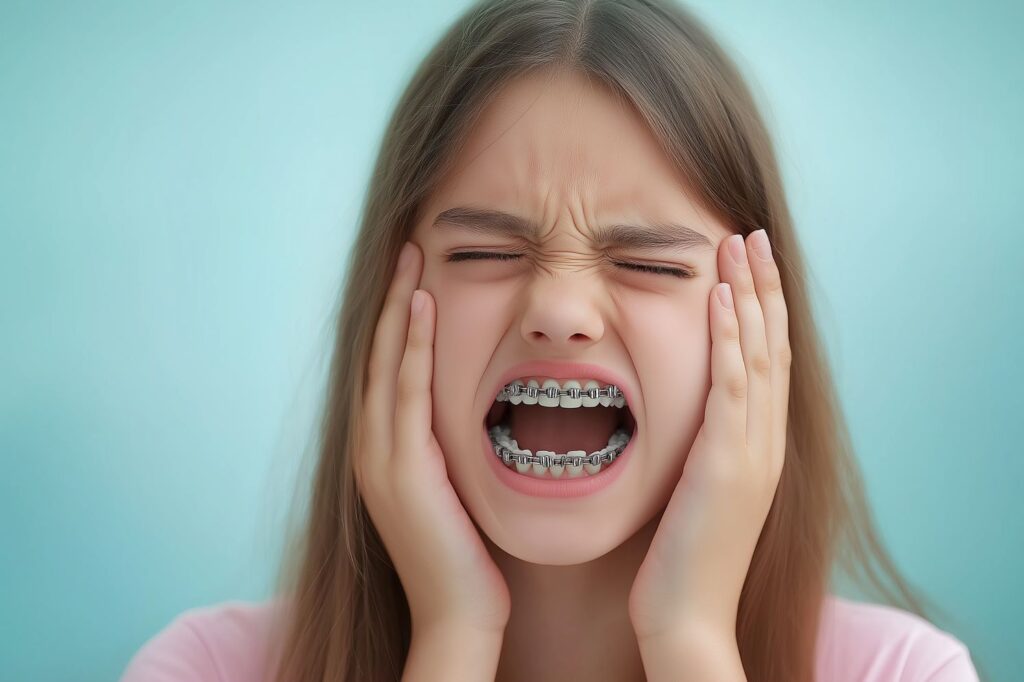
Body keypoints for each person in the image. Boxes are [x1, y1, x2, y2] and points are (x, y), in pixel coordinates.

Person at [121, 0, 982, 680]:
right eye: (488, 252)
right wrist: (454, 637)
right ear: (384, 301)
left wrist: (689, 641)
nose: (561, 309)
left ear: (761, 329)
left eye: (648, 263)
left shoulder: (903, 673)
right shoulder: (203, 670)